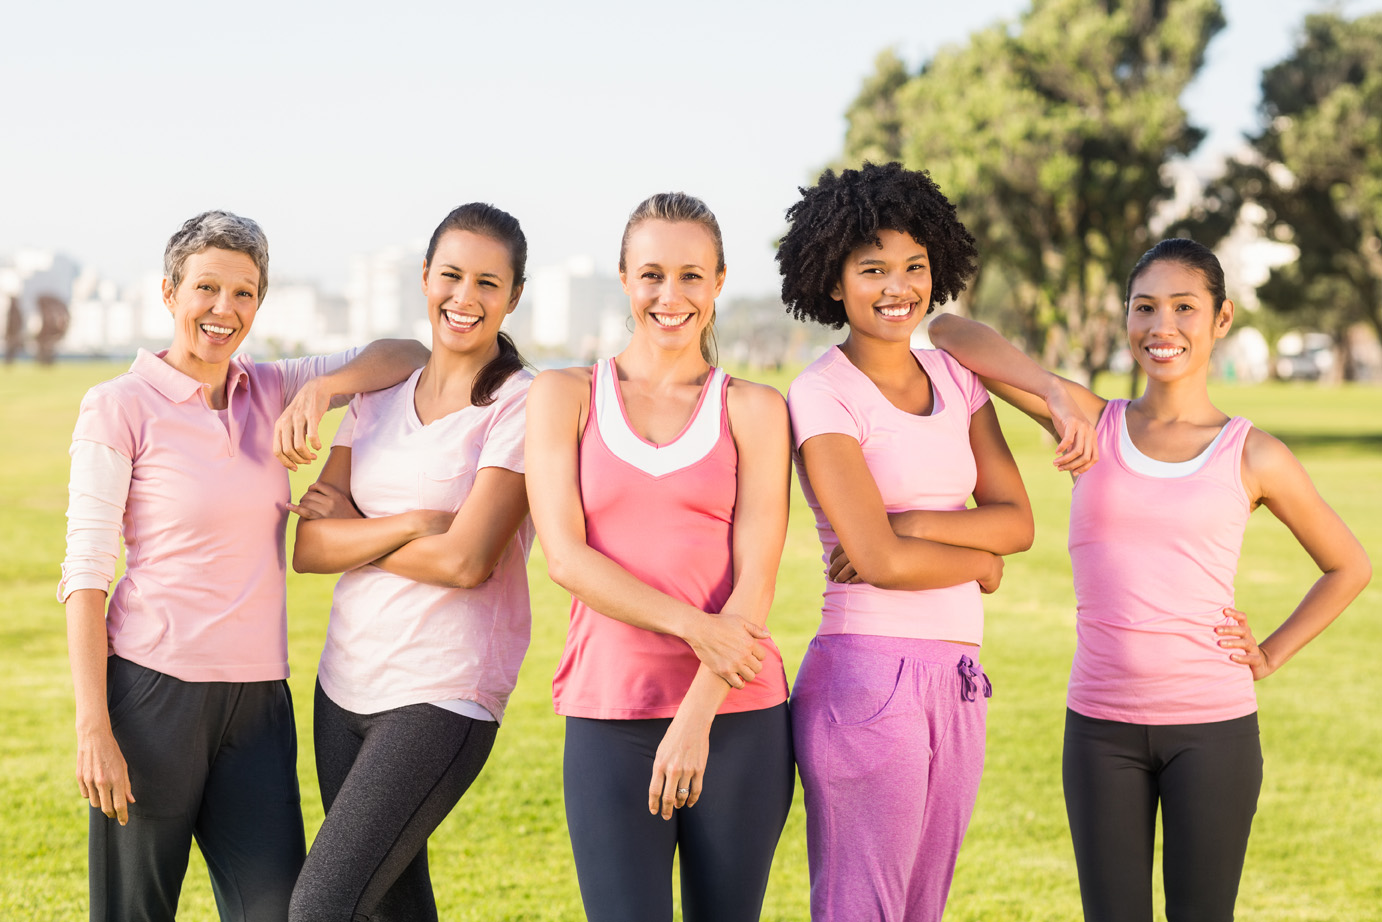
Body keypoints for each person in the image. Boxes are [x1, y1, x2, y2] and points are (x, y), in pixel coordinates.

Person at [928, 237, 1372, 922]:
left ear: (1221, 320)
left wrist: (1271, 653)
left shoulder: (1253, 453)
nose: (1162, 327)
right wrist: (1051, 390)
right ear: (1127, 318)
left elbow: (1349, 565)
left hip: (1213, 730)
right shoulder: (1090, 422)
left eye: (1185, 308)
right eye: (1146, 308)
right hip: (1099, 729)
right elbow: (948, 331)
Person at [59, 209, 429, 922]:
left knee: (280, 909)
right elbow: (86, 572)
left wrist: (321, 390)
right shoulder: (117, 406)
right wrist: (93, 727)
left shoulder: (272, 387)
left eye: (245, 293)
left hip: (258, 705)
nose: (223, 310)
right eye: (206, 288)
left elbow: (409, 353)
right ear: (170, 293)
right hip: (150, 699)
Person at [777, 162, 1043, 922]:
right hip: (866, 678)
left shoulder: (958, 380)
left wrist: (917, 525)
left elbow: (1018, 519)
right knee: (864, 908)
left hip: (958, 676)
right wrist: (981, 563)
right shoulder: (821, 393)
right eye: (873, 270)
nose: (899, 287)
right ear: (834, 281)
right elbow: (882, 563)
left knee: (924, 908)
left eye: (914, 267)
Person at [525, 192, 794, 922]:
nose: (669, 296)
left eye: (690, 276)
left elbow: (757, 575)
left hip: (738, 716)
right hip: (610, 714)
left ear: (718, 282)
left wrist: (697, 714)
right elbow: (566, 558)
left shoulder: (756, 410)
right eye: (651, 275)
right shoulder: (563, 395)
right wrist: (695, 626)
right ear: (623, 279)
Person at [284, 203, 535, 922]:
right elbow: (309, 546)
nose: (465, 297)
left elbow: (467, 561)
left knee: (320, 907)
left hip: (441, 692)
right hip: (344, 687)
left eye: (488, 283)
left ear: (513, 296)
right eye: (451, 275)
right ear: (425, 278)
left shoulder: (519, 406)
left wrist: (360, 532)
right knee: (394, 908)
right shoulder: (382, 392)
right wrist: (414, 523)